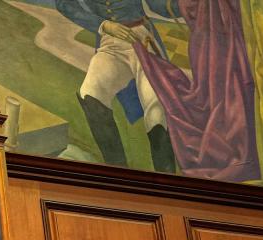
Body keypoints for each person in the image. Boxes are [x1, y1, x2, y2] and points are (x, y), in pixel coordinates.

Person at [56, 0, 180, 172]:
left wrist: (191, 7)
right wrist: (104, 25)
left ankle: (167, 180)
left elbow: (158, 5)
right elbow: (65, 5)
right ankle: (118, 172)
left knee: (156, 109)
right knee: (90, 94)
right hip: (109, 43)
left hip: (141, 38)